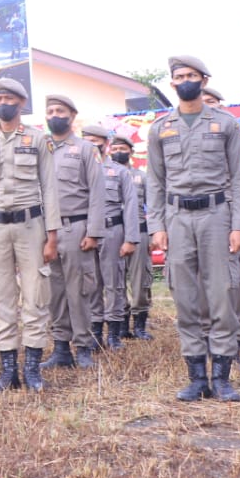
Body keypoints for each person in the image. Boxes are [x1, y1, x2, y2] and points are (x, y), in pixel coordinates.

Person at [147, 56, 240, 402]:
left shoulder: (225, 124)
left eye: (191, 75)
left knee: (222, 293)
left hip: (216, 216)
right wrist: (156, 226)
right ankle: (196, 377)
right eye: (179, 76)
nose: (185, 80)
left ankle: (221, 377)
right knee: (185, 296)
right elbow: (155, 182)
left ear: (204, 80)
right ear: (172, 84)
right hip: (177, 219)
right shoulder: (160, 128)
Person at [0, 78, 60, 393]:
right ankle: (8, 373)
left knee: (35, 297)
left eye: (9, 98)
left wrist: (52, 236)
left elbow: (49, 188)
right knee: (2, 298)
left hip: (31, 226)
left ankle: (32, 370)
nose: (3, 103)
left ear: (21, 103)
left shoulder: (38, 140)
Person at [38, 94, 105, 372]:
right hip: (46, 232)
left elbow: (98, 192)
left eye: (60, 110)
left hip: (76, 228)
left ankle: (84, 347)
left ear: (72, 116)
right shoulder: (40, 149)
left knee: (79, 291)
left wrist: (94, 231)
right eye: (50, 110)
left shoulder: (86, 149)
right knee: (54, 293)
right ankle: (61, 348)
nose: (55, 115)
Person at [200, 86, 240, 358]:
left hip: (236, 218)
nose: (208, 107)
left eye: (213, 102)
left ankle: (238, 339)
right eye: (203, 103)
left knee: (238, 281)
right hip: (203, 220)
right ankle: (208, 341)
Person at [81, 124, 139, 350]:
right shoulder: (78, 170)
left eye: (96, 141)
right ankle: (95, 333)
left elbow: (131, 206)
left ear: (106, 145)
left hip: (112, 231)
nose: (92, 145)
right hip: (85, 233)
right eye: (87, 140)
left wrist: (130, 239)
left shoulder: (119, 172)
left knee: (113, 283)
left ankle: (114, 333)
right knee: (91, 283)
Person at [109, 136, 153, 341]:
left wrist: (153, 234)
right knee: (114, 281)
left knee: (140, 281)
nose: (118, 151)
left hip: (140, 233)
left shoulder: (141, 177)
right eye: (115, 148)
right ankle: (121, 325)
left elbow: (153, 207)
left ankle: (140, 326)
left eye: (123, 148)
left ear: (131, 152)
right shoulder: (104, 176)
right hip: (114, 233)